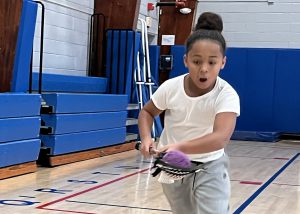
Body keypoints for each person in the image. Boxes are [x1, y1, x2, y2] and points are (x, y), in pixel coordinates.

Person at [138, 25, 240, 213]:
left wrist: (179, 147)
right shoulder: (170, 88)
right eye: (196, 61)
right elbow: (147, 112)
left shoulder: (227, 95)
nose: (203, 69)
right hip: (172, 165)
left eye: (212, 62)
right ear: (186, 60)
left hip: (211, 164)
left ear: (223, 62)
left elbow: (220, 138)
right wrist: (146, 138)